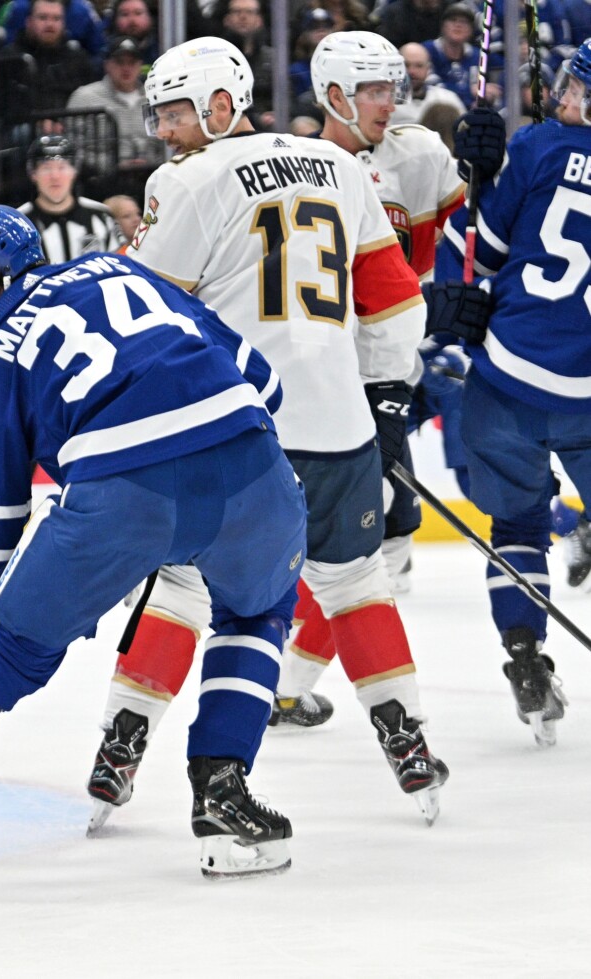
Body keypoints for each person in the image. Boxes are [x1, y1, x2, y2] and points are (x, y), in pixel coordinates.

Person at [0, 206, 306, 893]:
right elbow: (267, 383)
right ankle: (223, 796)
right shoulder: (132, 271)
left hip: (121, 497)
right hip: (253, 466)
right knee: (257, 612)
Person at [91, 36, 448, 830]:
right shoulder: (341, 166)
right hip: (339, 426)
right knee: (355, 583)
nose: (166, 131)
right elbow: (395, 303)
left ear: (225, 103)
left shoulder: (188, 179)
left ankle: (123, 737)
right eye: (159, 117)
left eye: (179, 113)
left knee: (184, 586)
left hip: (236, 430)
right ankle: (408, 739)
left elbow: (146, 315)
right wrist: (387, 396)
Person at [267, 32, 467, 720]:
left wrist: (493, 163)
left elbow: (484, 228)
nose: (391, 101)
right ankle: (280, 678)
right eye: (375, 90)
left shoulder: (418, 154)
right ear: (334, 95)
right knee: (360, 538)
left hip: (387, 377)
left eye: (394, 88)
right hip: (322, 388)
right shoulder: (300, 168)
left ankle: (284, 682)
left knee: (379, 532)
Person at [433, 38, 591, 746]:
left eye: (575, 85)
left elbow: (478, 252)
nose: (563, 94)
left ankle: (525, 652)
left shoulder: (536, 146)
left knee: (518, 527)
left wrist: (482, 174)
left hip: (507, 379)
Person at [67, 35, 167, 178]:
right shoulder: (84, 97)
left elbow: (165, 145)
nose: (126, 68)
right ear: (107, 65)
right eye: (120, 62)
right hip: (101, 180)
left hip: (150, 176)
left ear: (140, 66)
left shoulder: (155, 97)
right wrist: (112, 166)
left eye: (132, 62)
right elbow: (73, 147)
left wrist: (151, 163)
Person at [16, 135, 121, 265]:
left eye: (62, 167)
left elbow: (120, 270)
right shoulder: (17, 223)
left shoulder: (102, 216)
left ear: (74, 172)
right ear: (33, 174)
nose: (55, 176)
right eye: (46, 168)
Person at [424, 3, 488, 108]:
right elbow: (434, 91)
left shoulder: (477, 56)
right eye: (453, 20)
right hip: (437, 111)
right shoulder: (428, 50)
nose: (458, 25)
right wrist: (469, 92)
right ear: (443, 26)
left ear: (471, 31)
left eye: (464, 22)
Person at [391, 41, 467, 126]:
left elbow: (463, 131)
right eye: (406, 65)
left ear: (428, 69)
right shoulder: (384, 102)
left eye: (419, 66)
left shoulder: (448, 99)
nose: (412, 71)